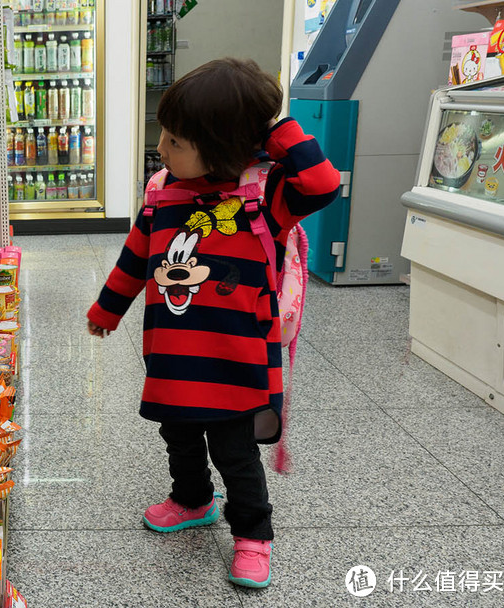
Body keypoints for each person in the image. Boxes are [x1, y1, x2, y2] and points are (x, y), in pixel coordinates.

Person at [86, 57, 340, 588]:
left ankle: (252, 534)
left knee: (234, 451)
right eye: (164, 134)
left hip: (237, 360)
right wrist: (107, 310)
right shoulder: (162, 193)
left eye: (176, 141)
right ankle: (192, 498)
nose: (161, 147)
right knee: (177, 434)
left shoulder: (265, 197)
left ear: (224, 146)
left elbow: (320, 183)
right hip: (175, 353)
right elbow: (136, 258)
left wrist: (271, 131)